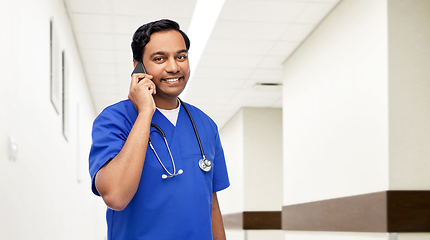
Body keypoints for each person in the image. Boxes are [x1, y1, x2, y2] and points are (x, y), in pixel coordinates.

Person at [88, 19, 230, 240]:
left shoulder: (205, 124)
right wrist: (145, 113)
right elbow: (115, 196)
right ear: (139, 67)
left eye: (181, 56)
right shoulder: (114, 120)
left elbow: (211, 206)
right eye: (160, 58)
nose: (174, 67)